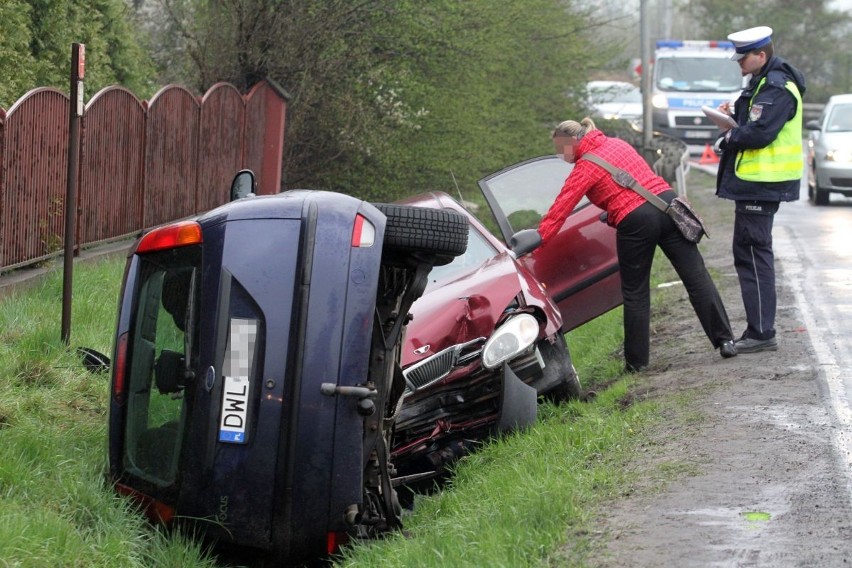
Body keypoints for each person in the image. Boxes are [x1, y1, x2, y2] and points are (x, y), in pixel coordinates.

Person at [538, 117, 737, 372]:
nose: (560, 155)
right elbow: (637, 183)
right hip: (667, 205)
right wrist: (611, 212)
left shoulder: (585, 167)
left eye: (560, 149)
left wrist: (539, 240)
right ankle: (726, 340)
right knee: (696, 277)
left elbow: (560, 209)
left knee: (636, 292)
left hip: (636, 222)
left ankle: (637, 363)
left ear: (573, 142)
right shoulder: (618, 144)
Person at [713, 26, 806, 353]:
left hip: (763, 183)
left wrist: (729, 136)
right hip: (756, 184)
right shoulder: (762, 83)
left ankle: (762, 333)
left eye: (743, 57)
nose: (739, 63)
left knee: (753, 254)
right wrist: (732, 117)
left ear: (761, 55)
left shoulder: (777, 87)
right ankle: (760, 329)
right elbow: (753, 122)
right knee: (749, 252)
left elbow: (760, 133)